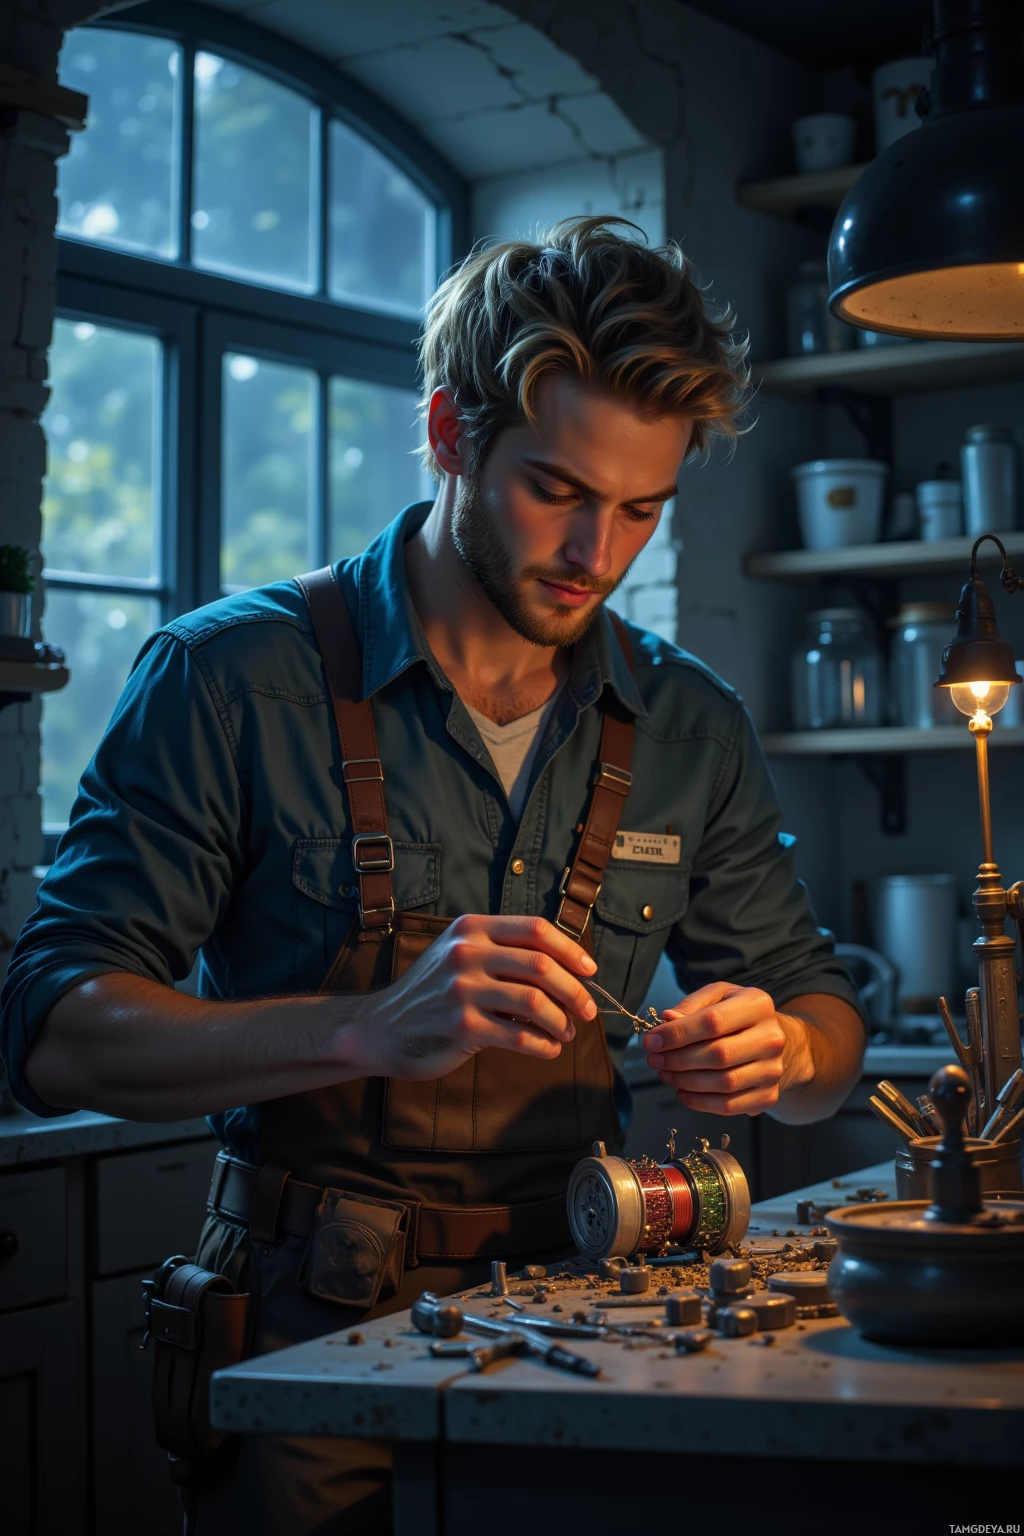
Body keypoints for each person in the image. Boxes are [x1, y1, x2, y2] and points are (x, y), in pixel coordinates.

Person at [0, 217, 864, 1533]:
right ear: (451, 438)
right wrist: (364, 1027)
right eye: (560, 492)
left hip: (599, 1311)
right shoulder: (229, 680)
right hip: (303, 1328)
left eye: (643, 509)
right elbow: (54, 1033)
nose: (600, 557)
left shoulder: (692, 725)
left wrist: (783, 1054)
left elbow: (826, 1026)